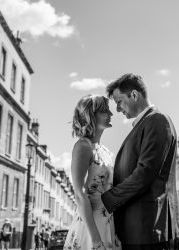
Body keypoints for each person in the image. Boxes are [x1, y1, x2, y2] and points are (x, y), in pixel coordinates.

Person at [101, 73, 177, 250]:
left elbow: (144, 174)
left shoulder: (158, 120)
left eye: (119, 102)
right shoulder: (144, 124)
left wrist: (105, 201)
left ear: (134, 95)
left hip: (147, 230)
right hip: (136, 231)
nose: (118, 109)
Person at [63, 95, 121, 250]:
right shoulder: (83, 146)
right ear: (91, 116)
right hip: (89, 229)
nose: (111, 114)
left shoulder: (106, 152)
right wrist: (95, 240)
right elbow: (79, 193)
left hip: (107, 225)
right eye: (105, 111)